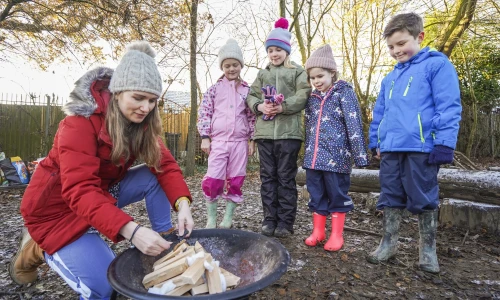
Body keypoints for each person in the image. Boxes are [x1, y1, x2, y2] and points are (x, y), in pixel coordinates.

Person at [9, 41, 195, 298]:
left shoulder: (141, 122)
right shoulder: (78, 124)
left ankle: (164, 242)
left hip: (101, 193)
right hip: (57, 212)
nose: (146, 107)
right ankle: (35, 249)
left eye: (152, 100)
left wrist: (182, 203)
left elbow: (165, 165)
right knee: (108, 287)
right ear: (117, 92)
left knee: (153, 176)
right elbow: (80, 190)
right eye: (138, 98)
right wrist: (133, 231)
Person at [366, 13, 462, 273]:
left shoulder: (437, 66)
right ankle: (389, 243)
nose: (396, 51)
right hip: (391, 148)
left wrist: (444, 143)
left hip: (421, 147)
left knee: (423, 195)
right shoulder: (390, 78)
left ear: (419, 37)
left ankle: (427, 250)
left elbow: (448, 106)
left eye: (401, 43)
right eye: (391, 47)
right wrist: (376, 141)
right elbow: (380, 113)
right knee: (390, 194)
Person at [246, 18, 311, 237]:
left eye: (278, 50)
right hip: (265, 135)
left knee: (285, 178)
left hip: (288, 134)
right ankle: (269, 219)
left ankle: (285, 222)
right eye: (270, 50)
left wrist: (282, 107)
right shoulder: (262, 74)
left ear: (286, 50)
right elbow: (251, 95)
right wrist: (259, 105)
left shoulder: (297, 72)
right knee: (268, 177)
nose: (274, 54)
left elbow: (304, 95)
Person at [302, 44, 369, 251]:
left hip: (337, 158)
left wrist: (360, 156)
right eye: (313, 78)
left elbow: (354, 124)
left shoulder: (344, 93)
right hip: (314, 158)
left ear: (332, 72)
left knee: (337, 194)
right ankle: (318, 231)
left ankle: (337, 235)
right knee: (316, 194)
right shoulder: (312, 99)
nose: (316, 81)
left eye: (320, 76)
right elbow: (307, 127)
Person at [197, 38, 256, 229]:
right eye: (227, 65)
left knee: (236, 179)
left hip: (240, 142)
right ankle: (211, 218)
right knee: (213, 179)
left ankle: (228, 218)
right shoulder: (214, 90)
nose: (231, 69)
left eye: (235, 65)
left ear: (240, 65)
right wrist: (205, 137)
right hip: (218, 141)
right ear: (222, 67)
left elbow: (252, 116)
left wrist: (252, 139)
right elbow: (204, 112)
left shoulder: (247, 91)